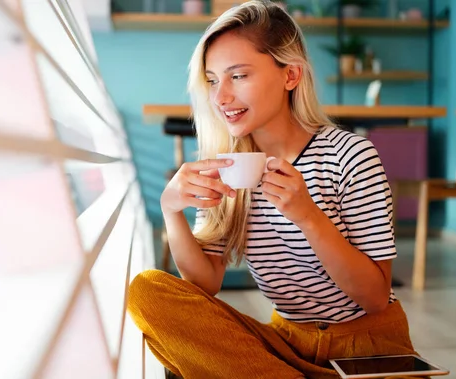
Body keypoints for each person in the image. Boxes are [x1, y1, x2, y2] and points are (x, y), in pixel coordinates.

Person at [127, 1, 420, 378]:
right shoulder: (229, 166)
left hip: (366, 347)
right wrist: (171, 210)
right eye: (213, 80)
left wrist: (309, 217)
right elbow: (204, 284)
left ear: (291, 76)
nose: (220, 98)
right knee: (147, 290)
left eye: (238, 76)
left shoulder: (350, 155)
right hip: (285, 347)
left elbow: (376, 298)